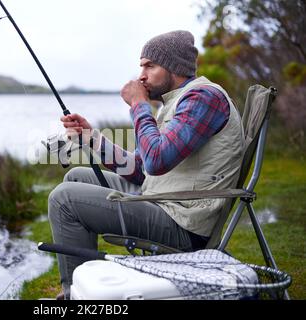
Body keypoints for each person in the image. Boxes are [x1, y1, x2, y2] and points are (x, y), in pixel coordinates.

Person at [48, 30, 245, 300]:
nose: (141, 75)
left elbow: (156, 160)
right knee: (76, 177)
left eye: (149, 65)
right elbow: (141, 169)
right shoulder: (176, 102)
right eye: (141, 65)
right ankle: (85, 286)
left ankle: (76, 297)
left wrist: (139, 104)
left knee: (63, 200)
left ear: (174, 66)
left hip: (184, 225)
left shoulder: (203, 98)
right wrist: (91, 139)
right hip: (164, 201)